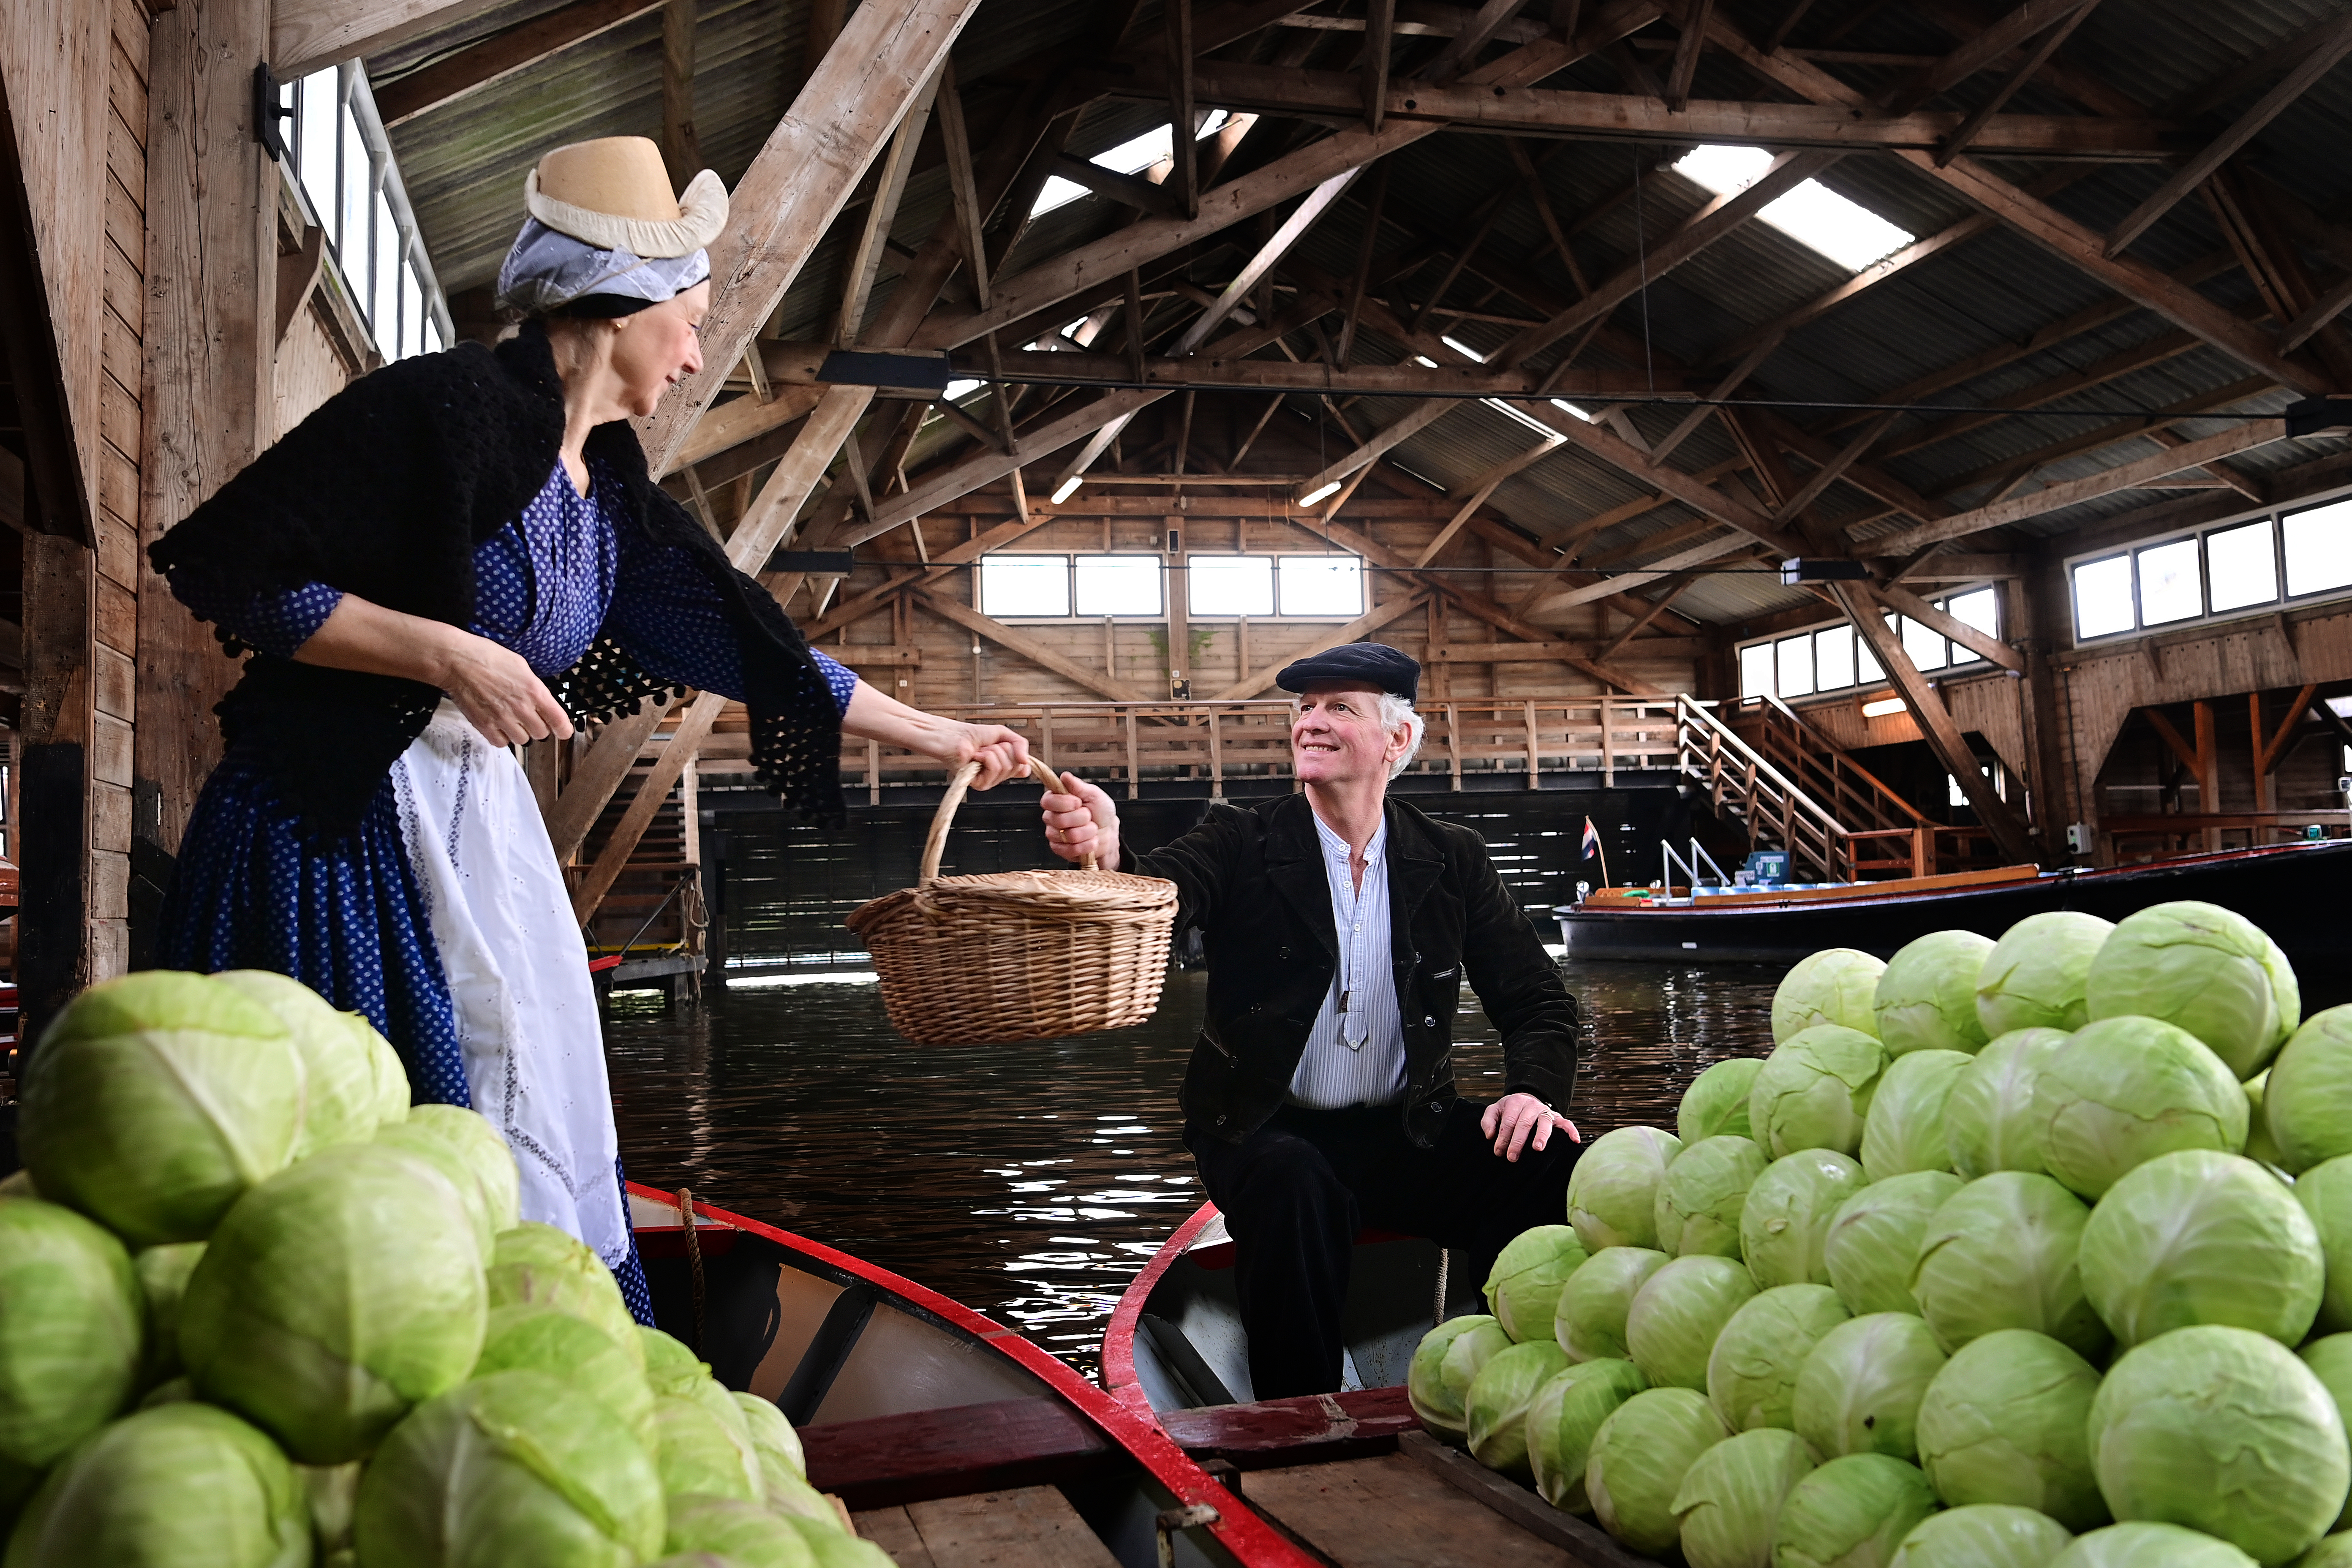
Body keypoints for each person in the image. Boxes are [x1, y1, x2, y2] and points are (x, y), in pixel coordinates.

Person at [146, 137, 1031, 1321]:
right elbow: (236, 571)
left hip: (477, 825)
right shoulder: (443, 407)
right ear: (625, 305)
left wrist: (941, 733)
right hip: (335, 821)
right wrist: (446, 651)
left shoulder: (608, 491)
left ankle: (523, 1341)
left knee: (534, 1083)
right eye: (697, 317)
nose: (700, 350)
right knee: (374, 1138)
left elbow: (756, 649)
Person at [1038, 643, 1581, 1399]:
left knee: (1545, 1158)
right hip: (1264, 1129)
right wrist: (1106, 853)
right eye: (1304, 708)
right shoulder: (1239, 842)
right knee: (1295, 1185)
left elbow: (1539, 1002)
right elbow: (1160, 894)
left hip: (1404, 1132)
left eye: (1339, 708)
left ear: (1396, 741)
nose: (1311, 723)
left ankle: (1513, 1376)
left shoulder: (1450, 858)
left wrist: (1535, 1094)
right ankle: (1301, 1423)